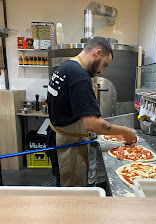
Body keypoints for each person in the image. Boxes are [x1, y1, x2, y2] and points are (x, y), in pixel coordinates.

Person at [46, 36, 137, 187]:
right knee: (72, 194)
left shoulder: (67, 66)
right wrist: (125, 132)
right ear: (98, 53)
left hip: (58, 136)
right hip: (67, 146)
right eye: (104, 64)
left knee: (63, 187)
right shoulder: (79, 75)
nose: (101, 71)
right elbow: (92, 124)